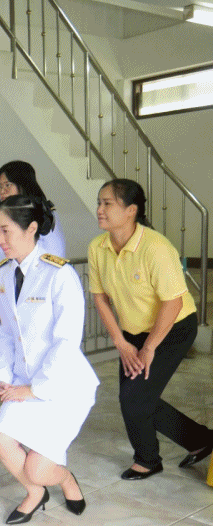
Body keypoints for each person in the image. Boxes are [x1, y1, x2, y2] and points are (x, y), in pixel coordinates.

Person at [89, 179, 213, 479]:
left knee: (134, 398)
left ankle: (147, 460)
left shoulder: (156, 247)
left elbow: (172, 303)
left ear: (131, 210)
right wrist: (121, 342)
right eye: (99, 202)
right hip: (132, 332)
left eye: (108, 203)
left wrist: (148, 348)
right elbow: (100, 298)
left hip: (173, 328)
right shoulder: (97, 247)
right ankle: (201, 440)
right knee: (135, 397)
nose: (100, 209)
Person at [0, 195, 97, 524]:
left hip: (62, 385)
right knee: (2, 440)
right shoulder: (3, 275)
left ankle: (64, 478)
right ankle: (35, 493)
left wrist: (35, 390)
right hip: (23, 380)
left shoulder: (59, 274)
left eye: (5, 231)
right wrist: (4, 375)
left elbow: (67, 341)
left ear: (31, 228)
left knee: (39, 468)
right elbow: (5, 331)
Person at [0, 161, 66, 396]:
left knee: (34, 370)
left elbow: (53, 260)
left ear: (24, 184)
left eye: (8, 185)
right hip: (7, 303)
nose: (2, 191)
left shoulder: (43, 215)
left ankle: (26, 408)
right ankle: (16, 408)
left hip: (36, 303)